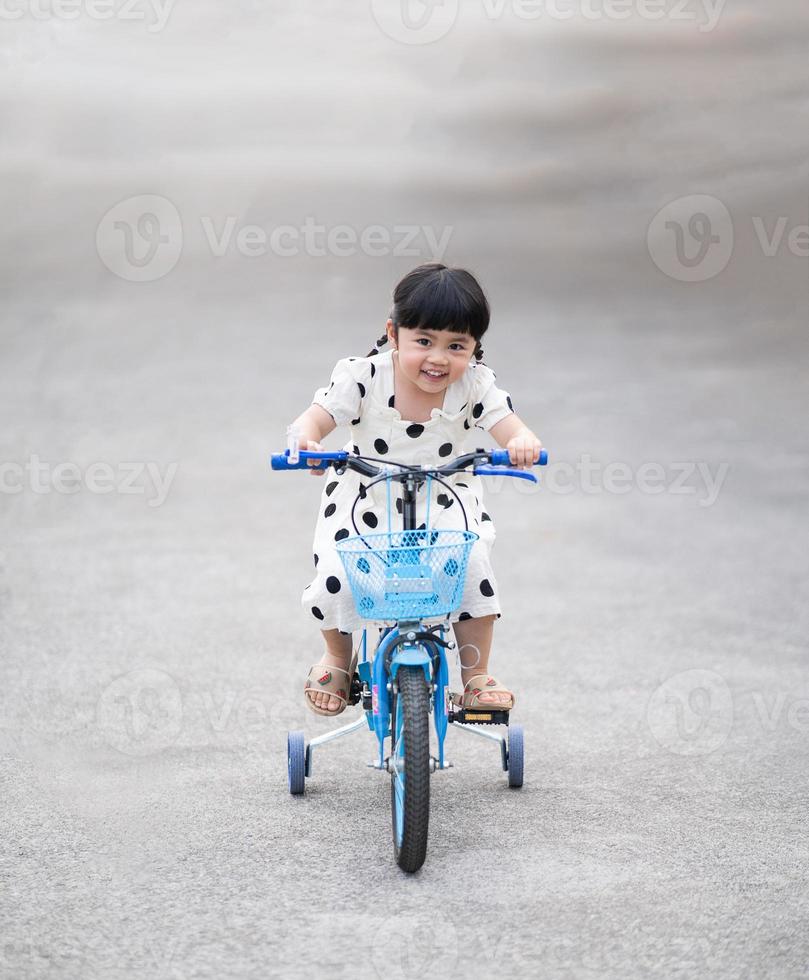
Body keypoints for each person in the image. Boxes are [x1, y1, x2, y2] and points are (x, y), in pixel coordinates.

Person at [287, 263, 543, 717]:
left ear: (474, 348)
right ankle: (338, 659)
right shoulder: (361, 376)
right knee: (338, 573)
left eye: (456, 345)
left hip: (446, 499)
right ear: (394, 333)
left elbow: (510, 427)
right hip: (366, 498)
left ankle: (476, 675)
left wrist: (521, 443)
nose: (439, 358)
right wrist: (307, 441)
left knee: (472, 570)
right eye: (423, 341)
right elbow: (318, 416)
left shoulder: (476, 383)